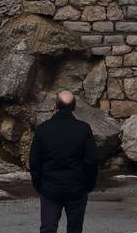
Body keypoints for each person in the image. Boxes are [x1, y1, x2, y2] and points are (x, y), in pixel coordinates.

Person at [29, 90, 98, 233]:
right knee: (75, 228)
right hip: (77, 188)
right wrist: (89, 185)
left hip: (50, 188)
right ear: (74, 107)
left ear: (55, 106)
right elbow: (91, 160)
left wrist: (39, 185)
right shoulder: (83, 129)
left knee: (48, 228)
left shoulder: (43, 129)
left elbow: (34, 161)